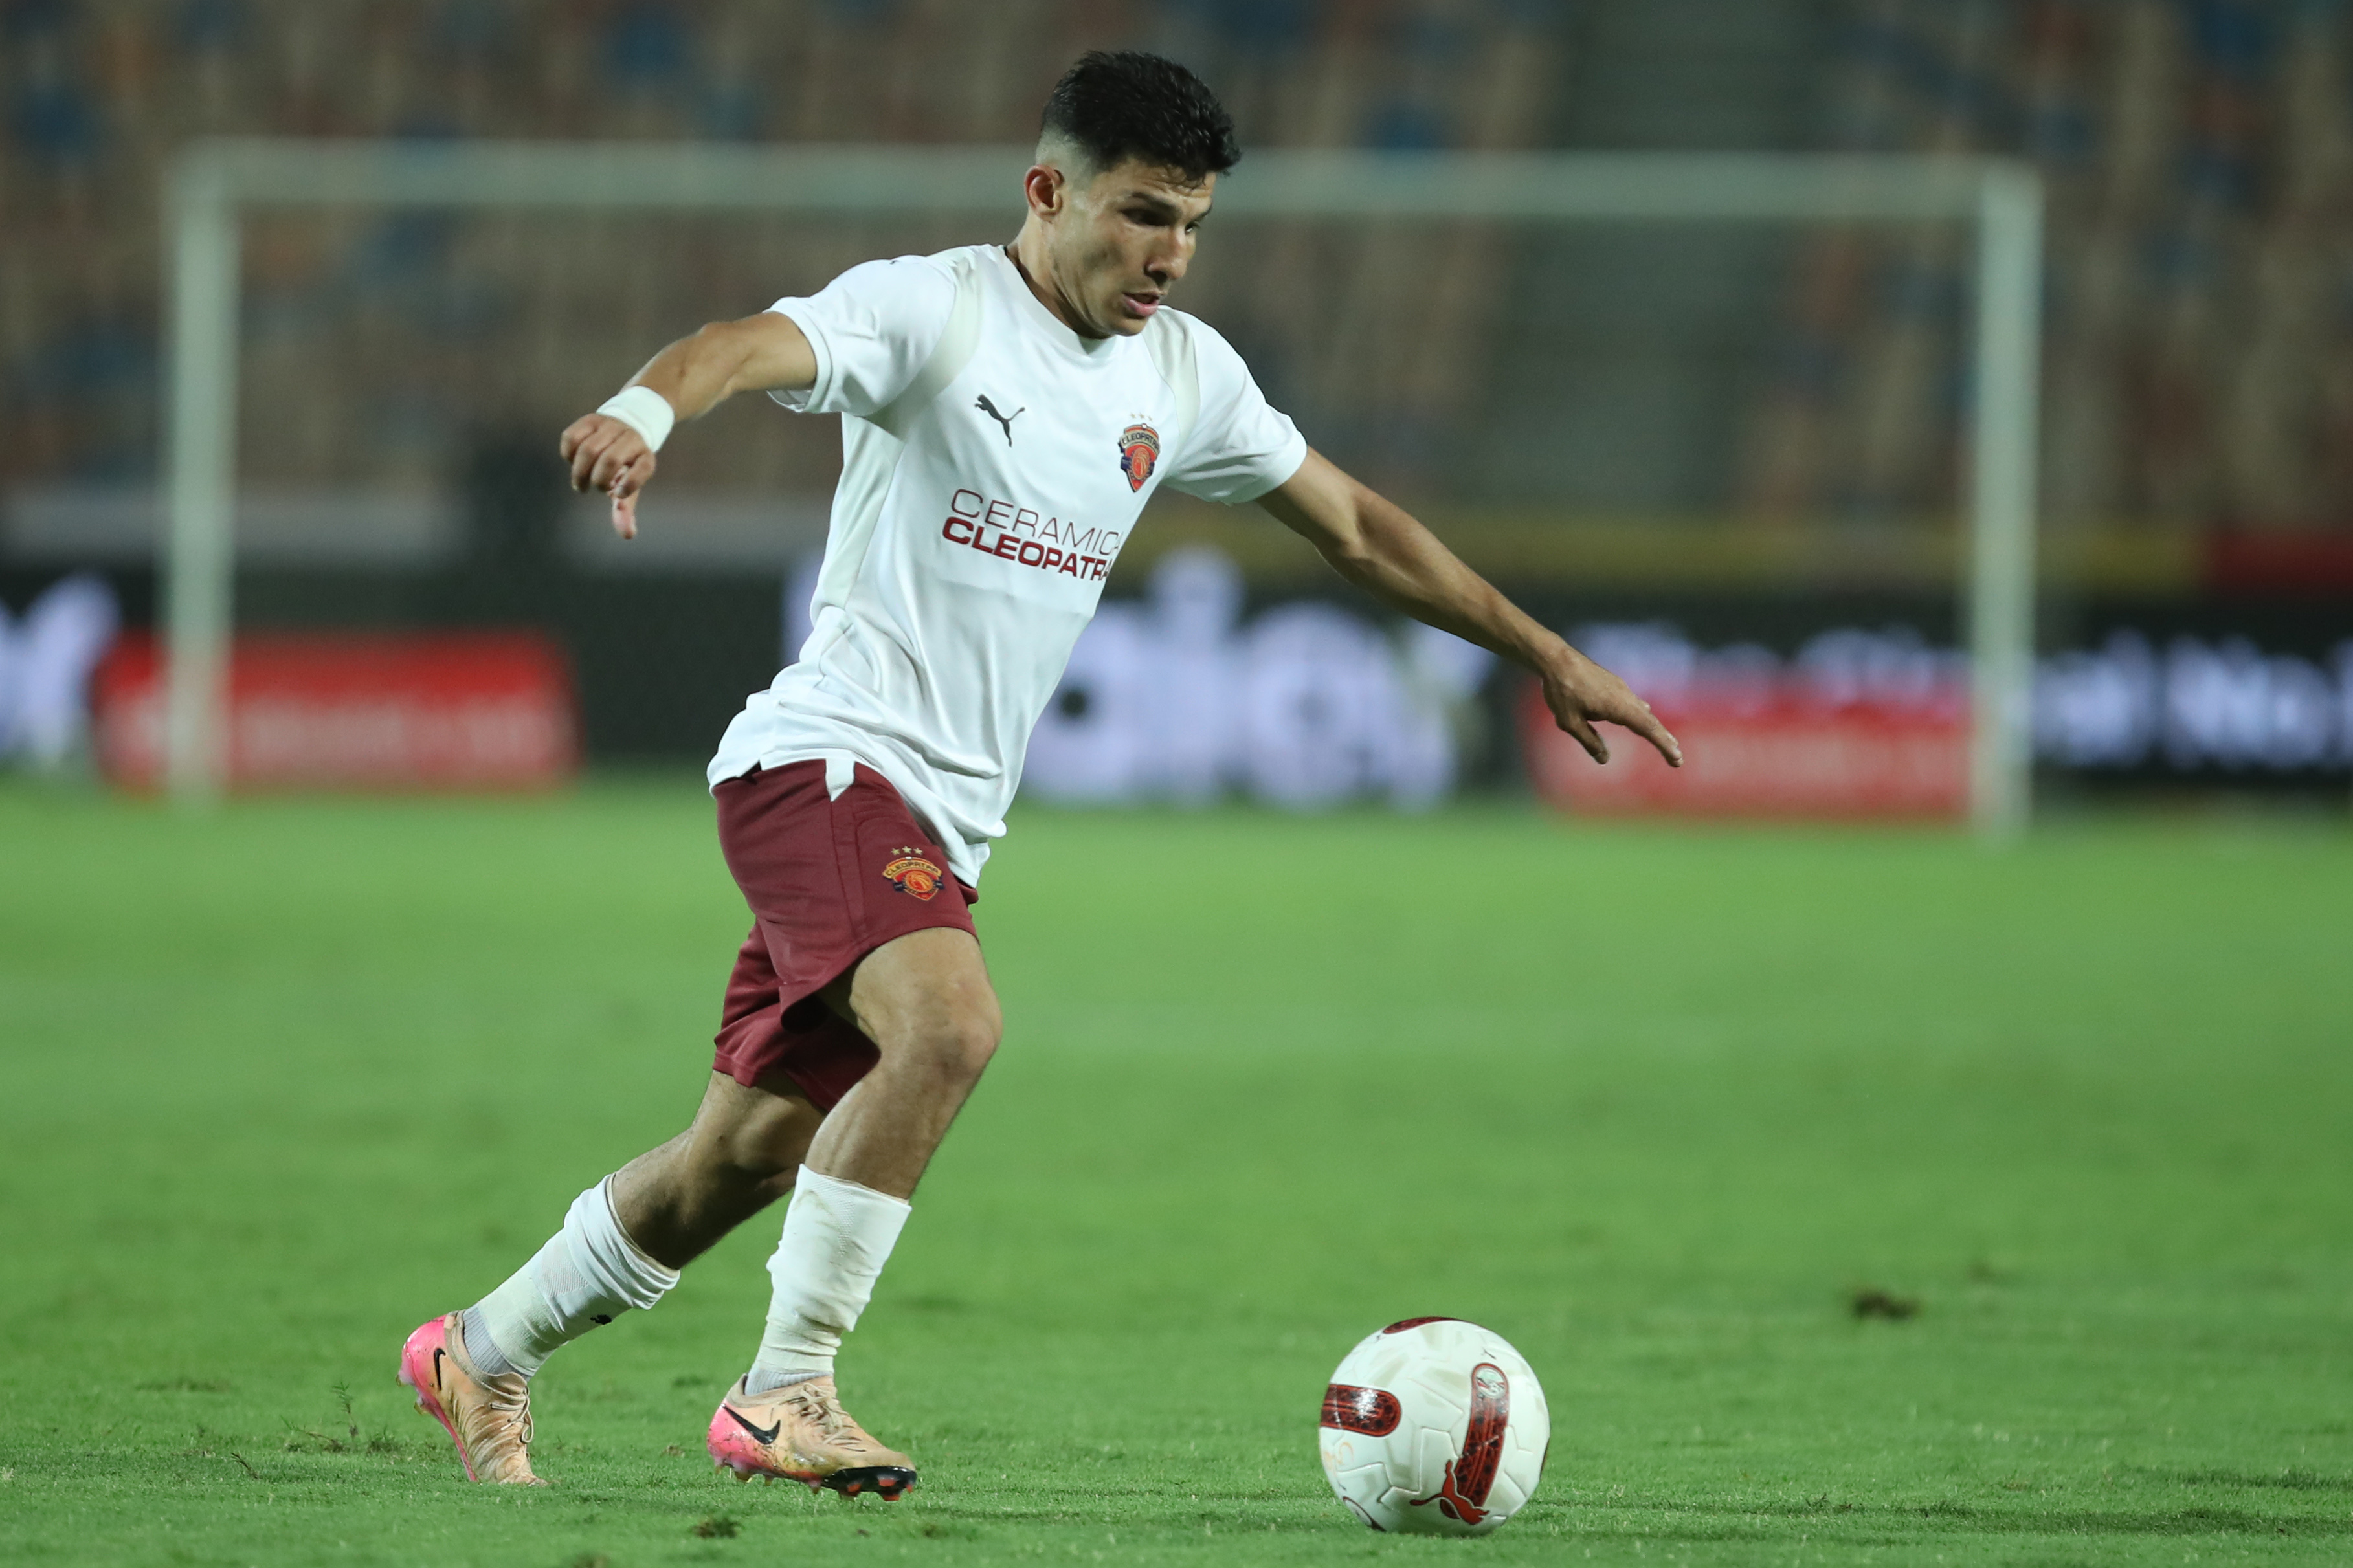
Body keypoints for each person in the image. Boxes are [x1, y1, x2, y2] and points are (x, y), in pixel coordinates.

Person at [397, 50, 1680, 1497]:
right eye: (1143, 214)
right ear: (1049, 191)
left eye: (1192, 224)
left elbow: (1358, 528)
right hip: (827, 760)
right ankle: (785, 1391)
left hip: (941, 820)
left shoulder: (1184, 374)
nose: (1170, 255)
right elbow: (742, 344)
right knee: (949, 1026)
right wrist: (645, 410)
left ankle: (481, 1349)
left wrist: (1542, 652)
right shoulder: (935, 313)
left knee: (741, 1159)